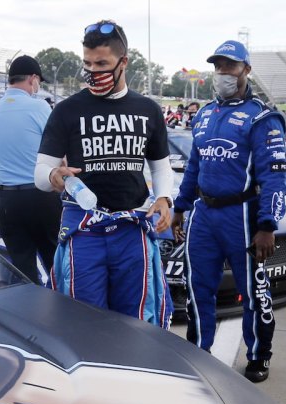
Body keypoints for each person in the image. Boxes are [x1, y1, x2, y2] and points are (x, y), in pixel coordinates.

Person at [33, 20, 174, 323]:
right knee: (83, 323)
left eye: (102, 63)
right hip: (84, 231)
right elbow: (42, 170)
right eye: (87, 63)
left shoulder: (148, 109)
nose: (93, 71)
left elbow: (161, 166)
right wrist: (52, 176)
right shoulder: (66, 110)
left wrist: (164, 197)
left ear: (124, 62)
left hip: (132, 230)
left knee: (137, 324)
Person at [172, 39, 286, 384]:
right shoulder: (205, 114)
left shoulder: (263, 118)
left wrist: (267, 224)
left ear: (246, 70)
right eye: (218, 66)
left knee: (253, 291)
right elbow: (194, 166)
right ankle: (199, 351)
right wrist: (180, 206)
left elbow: (275, 176)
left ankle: (258, 355)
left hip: (243, 216)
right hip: (204, 215)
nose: (223, 73)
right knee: (197, 288)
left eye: (230, 66)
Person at [0, 55, 60, 285]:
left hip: (8, 200)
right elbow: (59, 152)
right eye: (39, 82)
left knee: (23, 270)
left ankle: (29, 316)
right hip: (40, 195)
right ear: (33, 79)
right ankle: (65, 317)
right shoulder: (39, 107)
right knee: (56, 265)